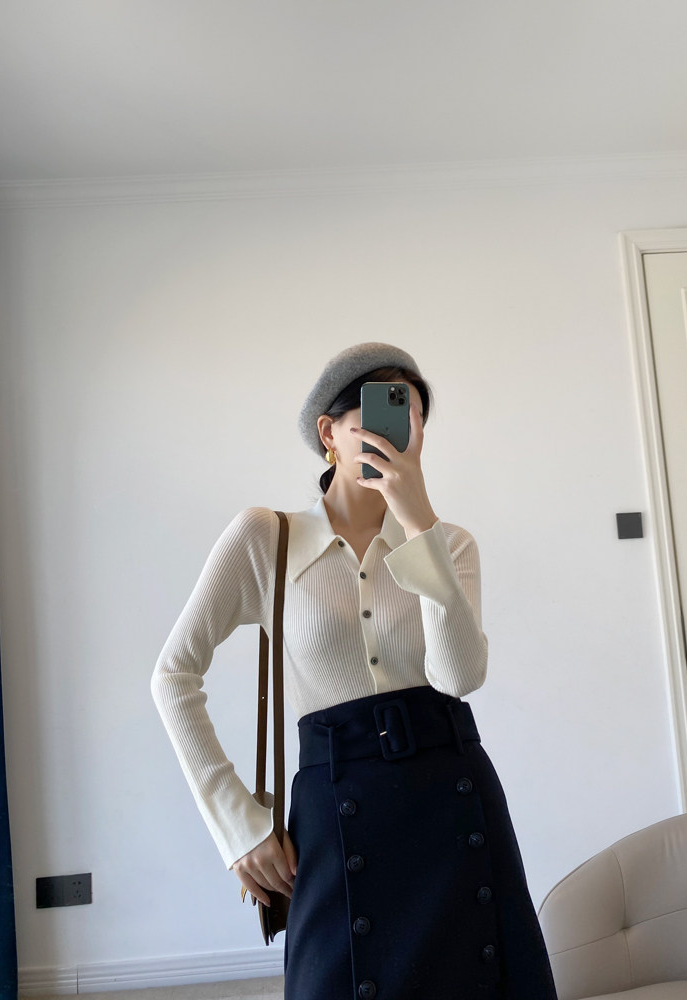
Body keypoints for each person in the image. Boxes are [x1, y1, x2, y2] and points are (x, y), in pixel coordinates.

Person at [152, 342, 558, 1000]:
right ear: (328, 434)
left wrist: (419, 523)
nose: (396, 434)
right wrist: (240, 826)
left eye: (411, 420)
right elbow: (173, 675)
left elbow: (458, 677)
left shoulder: (450, 543)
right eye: (377, 416)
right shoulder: (265, 538)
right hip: (334, 802)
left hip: (451, 797)